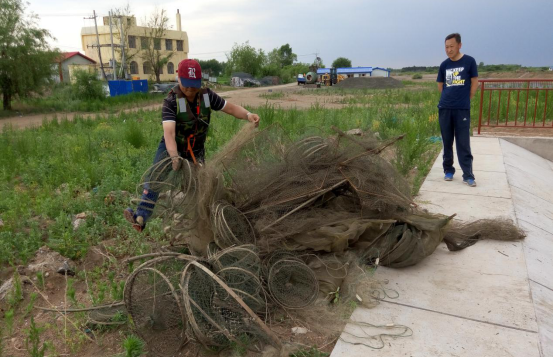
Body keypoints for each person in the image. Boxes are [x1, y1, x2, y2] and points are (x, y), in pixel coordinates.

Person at [124, 59, 260, 232]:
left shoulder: (206, 96)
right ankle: (140, 217)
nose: (189, 90)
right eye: (186, 85)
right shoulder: (171, 101)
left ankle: (200, 222)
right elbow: (169, 133)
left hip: (195, 151)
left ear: (200, 83)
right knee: (154, 178)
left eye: (193, 86)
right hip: (171, 148)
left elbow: (230, 108)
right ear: (178, 80)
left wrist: (248, 115)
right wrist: (174, 156)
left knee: (198, 186)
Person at [437, 33, 479, 187]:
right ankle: (448, 170)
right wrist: (447, 99)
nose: (449, 50)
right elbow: (440, 85)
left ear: (459, 45)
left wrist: (466, 98)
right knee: (447, 141)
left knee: (463, 142)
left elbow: (475, 82)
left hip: (461, 109)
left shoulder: (469, 61)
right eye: (446, 47)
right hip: (445, 108)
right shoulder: (444, 65)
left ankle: (468, 175)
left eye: (451, 46)